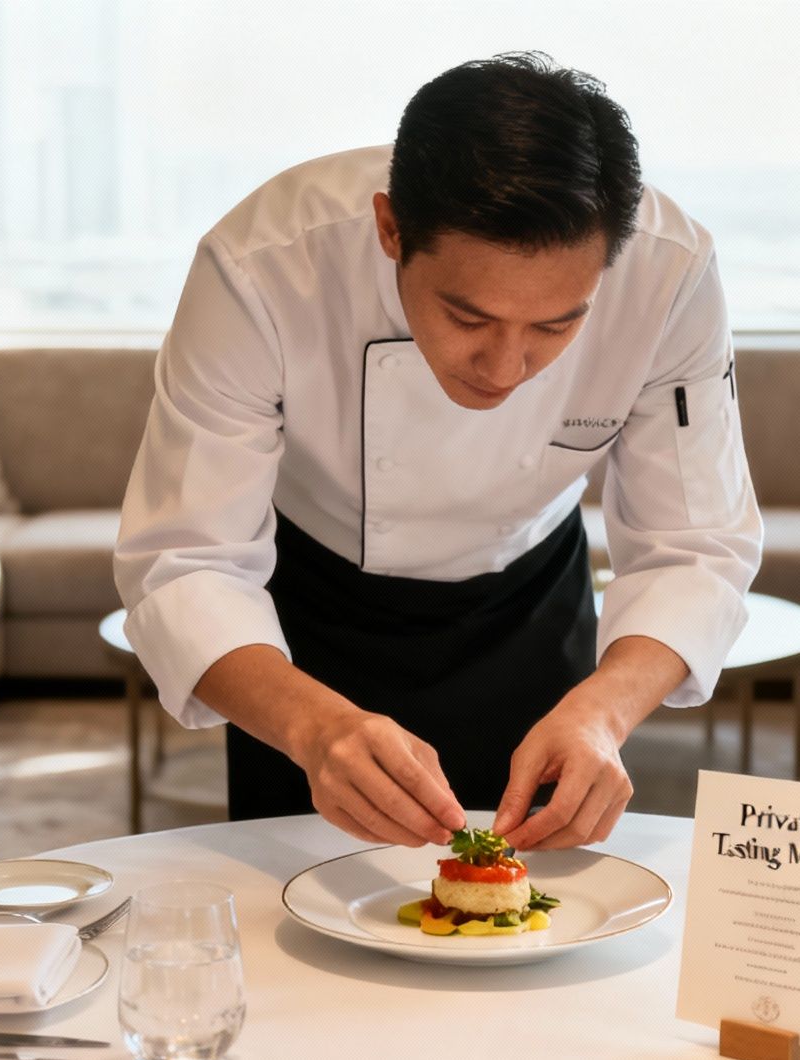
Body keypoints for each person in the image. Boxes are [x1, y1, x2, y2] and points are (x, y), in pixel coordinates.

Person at [113, 52, 760, 852]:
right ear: (391, 229)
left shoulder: (672, 274)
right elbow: (185, 558)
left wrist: (603, 711)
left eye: (555, 326)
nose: (505, 368)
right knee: (296, 916)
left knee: (541, 924)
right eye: (468, 316)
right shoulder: (261, 266)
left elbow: (696, 546)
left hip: (528, 604)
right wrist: (314, 731)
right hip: (308, 625)